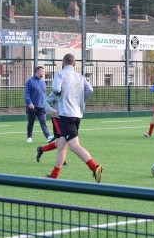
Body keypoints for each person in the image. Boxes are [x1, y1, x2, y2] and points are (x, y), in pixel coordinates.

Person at [48, 53, 103, 183]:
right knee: (61, 145)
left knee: (74, 146)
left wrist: (61, 93)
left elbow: (55, 89)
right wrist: (80, 101)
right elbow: (90, 90)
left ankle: (95, 167)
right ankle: (54, 176)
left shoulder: (60, 74)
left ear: (63, 62)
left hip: (66, 114)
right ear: (74, 64)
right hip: (77, 114)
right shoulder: (80, 76)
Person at [36, 91, 67, 166]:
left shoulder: (68, 90)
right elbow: (45, 102)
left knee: (59, 142)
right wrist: (51, 110)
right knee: (62, 140)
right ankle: (62, 159)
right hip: (57, 118)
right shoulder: (56, 92)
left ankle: (41, 149)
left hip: (66, 119)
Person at [24, 66, 53, 143]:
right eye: (42, 71)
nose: (44, 72)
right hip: (32, 107)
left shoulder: (43, 82)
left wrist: (47, 104)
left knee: (43, 123)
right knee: (31, 122)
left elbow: (44, 94)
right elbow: (26, 94)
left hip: (42, 107)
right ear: (37, 71)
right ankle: (29, 136)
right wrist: (29, 102)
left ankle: (48, 137)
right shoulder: (29, 81)